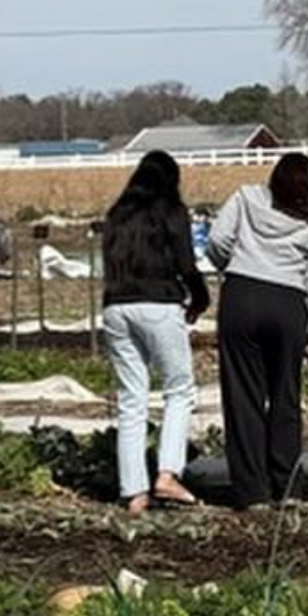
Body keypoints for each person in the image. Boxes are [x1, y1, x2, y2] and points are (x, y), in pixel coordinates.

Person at [207, 153, 308, 508]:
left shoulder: (246, 197)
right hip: (288, 303)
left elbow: (217, 239)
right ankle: (287, 485)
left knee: (243, 396)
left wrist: (231, 264)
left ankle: (252, 491)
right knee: (285, 396)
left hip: (241, 295)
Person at [99, 151, 208, 515]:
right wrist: (200, 297)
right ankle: (168, 473)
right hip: (158, 304)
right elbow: (186, 264)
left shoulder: (117, 216)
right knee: (179, 388)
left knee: (132, 397)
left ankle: (134, 492)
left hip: (116, 307)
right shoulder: (170, 212)